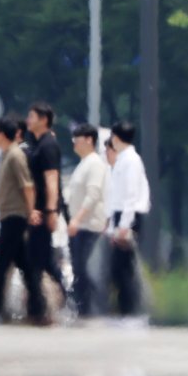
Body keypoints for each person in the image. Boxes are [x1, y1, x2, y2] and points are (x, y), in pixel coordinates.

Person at [0, 116, 44, 324]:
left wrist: (31, 210)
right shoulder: (6, 155)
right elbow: (9, 188)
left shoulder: (15, 155)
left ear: (0, 134)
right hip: (9, 215)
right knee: (24, 265)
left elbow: (27, 186)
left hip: (16, 217)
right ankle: (37, 309)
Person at [106, 121, 151, 316]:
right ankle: (126, 308)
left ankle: (129, 309)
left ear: (116, 138)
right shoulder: (124, 159)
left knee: (123, 267)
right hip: (121, 215)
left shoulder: (131, 160)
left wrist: (124, 225)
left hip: (129, 217)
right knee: (119, 268)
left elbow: (130, 196)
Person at [66, 123, 109, 318]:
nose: (74, 142)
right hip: (80, 228)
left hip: (89, 227)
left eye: (78, 138)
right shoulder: (83, 164)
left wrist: (76, 219)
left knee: (85, 271)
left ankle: (92, 311)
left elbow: (92, 196)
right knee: (79, 271)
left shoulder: (95, 164)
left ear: (89, 140)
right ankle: (82, 310)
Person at [25, 103, 65, 295]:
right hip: (37, 211)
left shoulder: (48, 145)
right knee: (43, 259)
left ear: (43, 120)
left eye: (32, 116)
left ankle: (47, 304)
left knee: (39, 260)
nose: (28, 120)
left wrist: (51, 211)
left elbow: (52, 179)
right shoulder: (38, 143)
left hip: (42, 211)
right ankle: (62, 299)